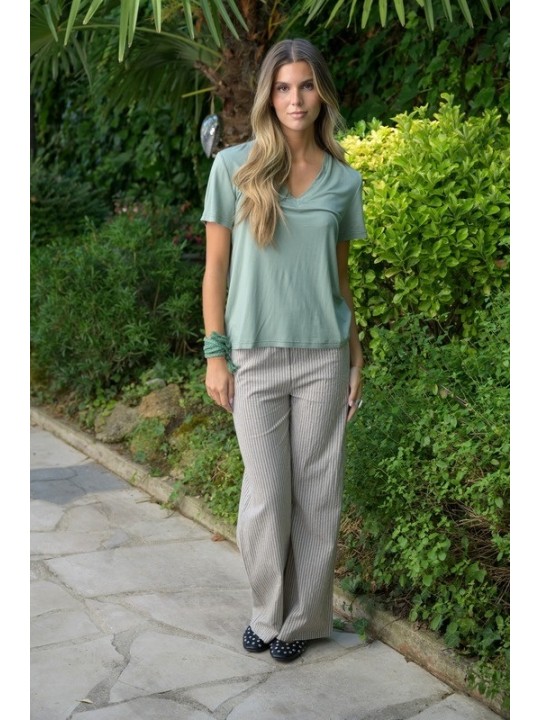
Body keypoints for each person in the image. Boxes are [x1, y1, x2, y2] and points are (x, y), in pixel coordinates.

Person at [201, 38, 366, 663]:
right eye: (283, 87)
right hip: (255, 357)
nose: (296, 99)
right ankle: (267, 613)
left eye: (306, 85)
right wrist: (216, 354)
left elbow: (340, 280)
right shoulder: (234, 168)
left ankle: (301, 623)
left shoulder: (343, 180)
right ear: (269, 95)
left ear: (321, 92)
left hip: (324, 356)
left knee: (319, 496)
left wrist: (355, 357)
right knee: (266, 497)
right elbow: (215, 269)